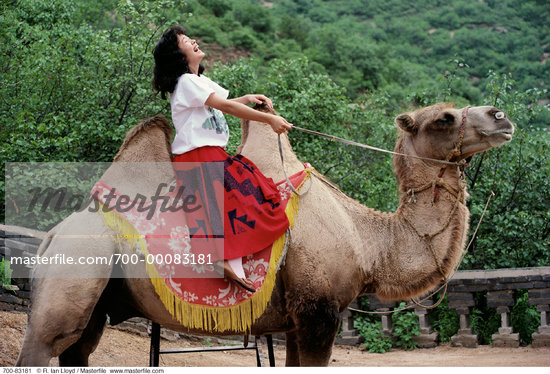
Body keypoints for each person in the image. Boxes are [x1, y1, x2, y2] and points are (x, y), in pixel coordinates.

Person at [152, 26, 292, 293]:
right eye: (185, 41)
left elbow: (219, 104)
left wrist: (247, 99)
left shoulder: (197, 82)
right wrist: (269, 119)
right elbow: (226, 107)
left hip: (211, 152)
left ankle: (229, 260)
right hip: (198, 154)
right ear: (178, 56)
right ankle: (221, 259)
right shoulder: (186, 82)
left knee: (241, 197)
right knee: (237, 198)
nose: (193, 40)